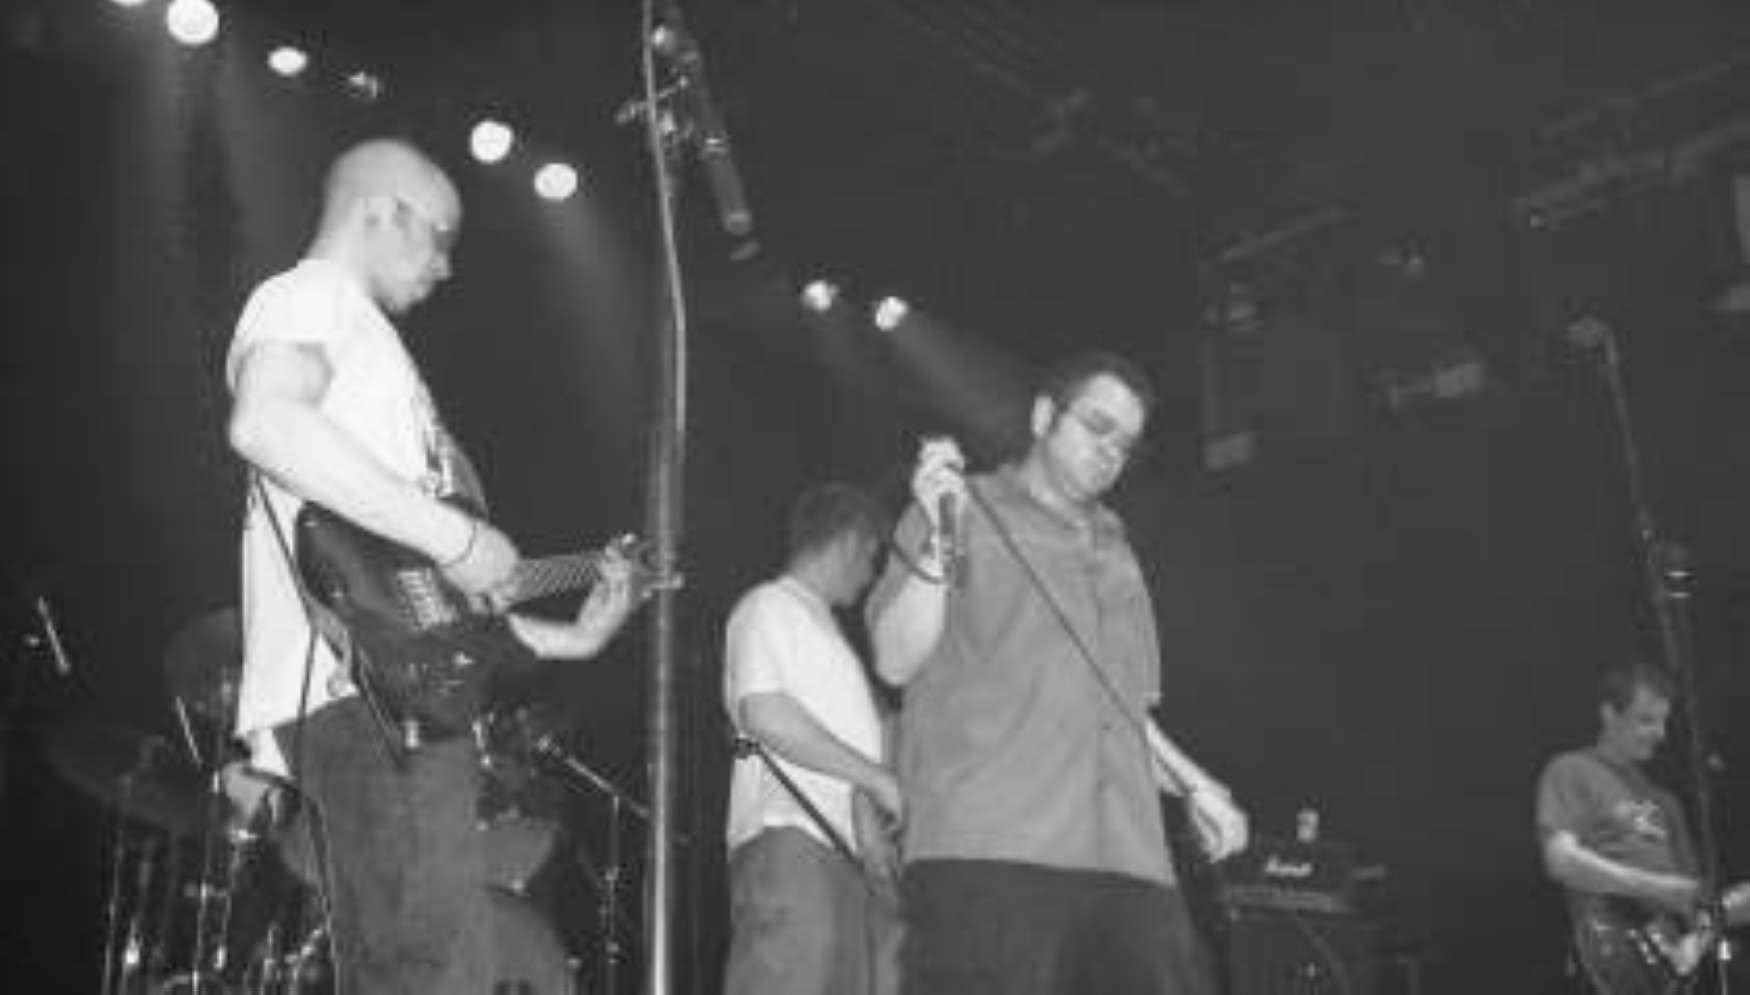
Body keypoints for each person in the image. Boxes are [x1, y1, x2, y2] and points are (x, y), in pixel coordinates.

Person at [223, 137, 639, 994]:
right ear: (381, 209)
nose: (446, 266)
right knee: (436, 970)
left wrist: (576, 638)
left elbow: (419, 607)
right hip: (364, 700)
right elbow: (266, 421)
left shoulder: (368, 344)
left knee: (403, 970)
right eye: (440, 235)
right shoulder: (312, 295)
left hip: (379, 694)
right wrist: (459, 538)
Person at [867, 350, 1250, 995]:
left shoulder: (1118, 548)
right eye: (1097, 426)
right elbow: (894, 658)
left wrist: (1195, 785)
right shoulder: (962, 507)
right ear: (1045, 416)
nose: (1109, 452)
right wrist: (939, 533)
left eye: (1125, 444)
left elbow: (1122, 707)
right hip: (990, 850)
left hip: (1131, 863)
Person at [722, 483, 904, 995]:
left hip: (840, 858)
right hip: (794, 844)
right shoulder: (770, 605)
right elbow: (764, 712)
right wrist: (878, 779)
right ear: (849, 541)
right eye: (871, 556)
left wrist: (870, 826)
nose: (871, 575)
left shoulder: (824, 629)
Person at [1536, 663, 1747, 989]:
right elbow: (1561, 861)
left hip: (1667, 957)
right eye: (1646, 720)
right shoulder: (1571, 769)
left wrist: (1702, 935)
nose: (1661, 734)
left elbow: (1691, 896)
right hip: (1608, 944)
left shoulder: (1666, 802)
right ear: (1609, 714)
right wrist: (1653, 886)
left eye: (1664, 721)